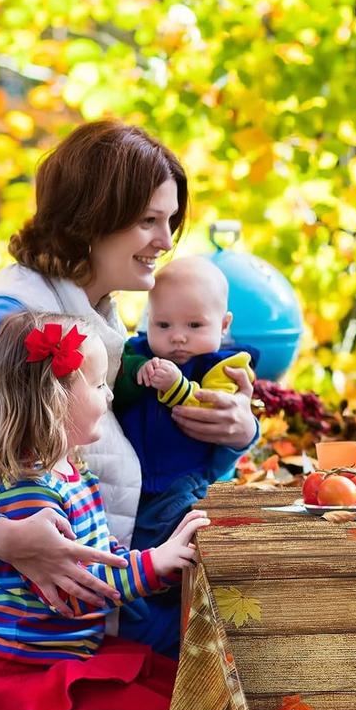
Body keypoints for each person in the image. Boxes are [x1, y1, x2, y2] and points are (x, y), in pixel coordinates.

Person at [0, 120, 258, 659]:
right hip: (9, 641)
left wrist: (234, 434)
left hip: (104, 612)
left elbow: (146, 468)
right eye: (149, 221)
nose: (166, 243)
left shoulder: (106, 322)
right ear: (89, 218)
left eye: (170, 221)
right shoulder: (4, 327)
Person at [0, 311, 207, 710]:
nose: (111, 394)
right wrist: (153, 563)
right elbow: (77, 591)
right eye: (98, 386)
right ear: (52, 400)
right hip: (30, 674)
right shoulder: (30, 496)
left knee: (177, 690)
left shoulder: (74, 475)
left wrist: (158, 565)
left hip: (69, 656)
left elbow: (103, 556)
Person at [110, 257, 257, 654]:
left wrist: (175, 386)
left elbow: (214, 411)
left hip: (184, 488)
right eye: (163, 325)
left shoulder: (225, 366)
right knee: (138, 570)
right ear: (147, 320)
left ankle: (198, 636)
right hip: (134, 494)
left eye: (194, 326)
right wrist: (134, 372)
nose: (178, 338)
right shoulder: (135, 354)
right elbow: (116, 388)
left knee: (194, 561)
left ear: (223, 325)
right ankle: (146, 632)